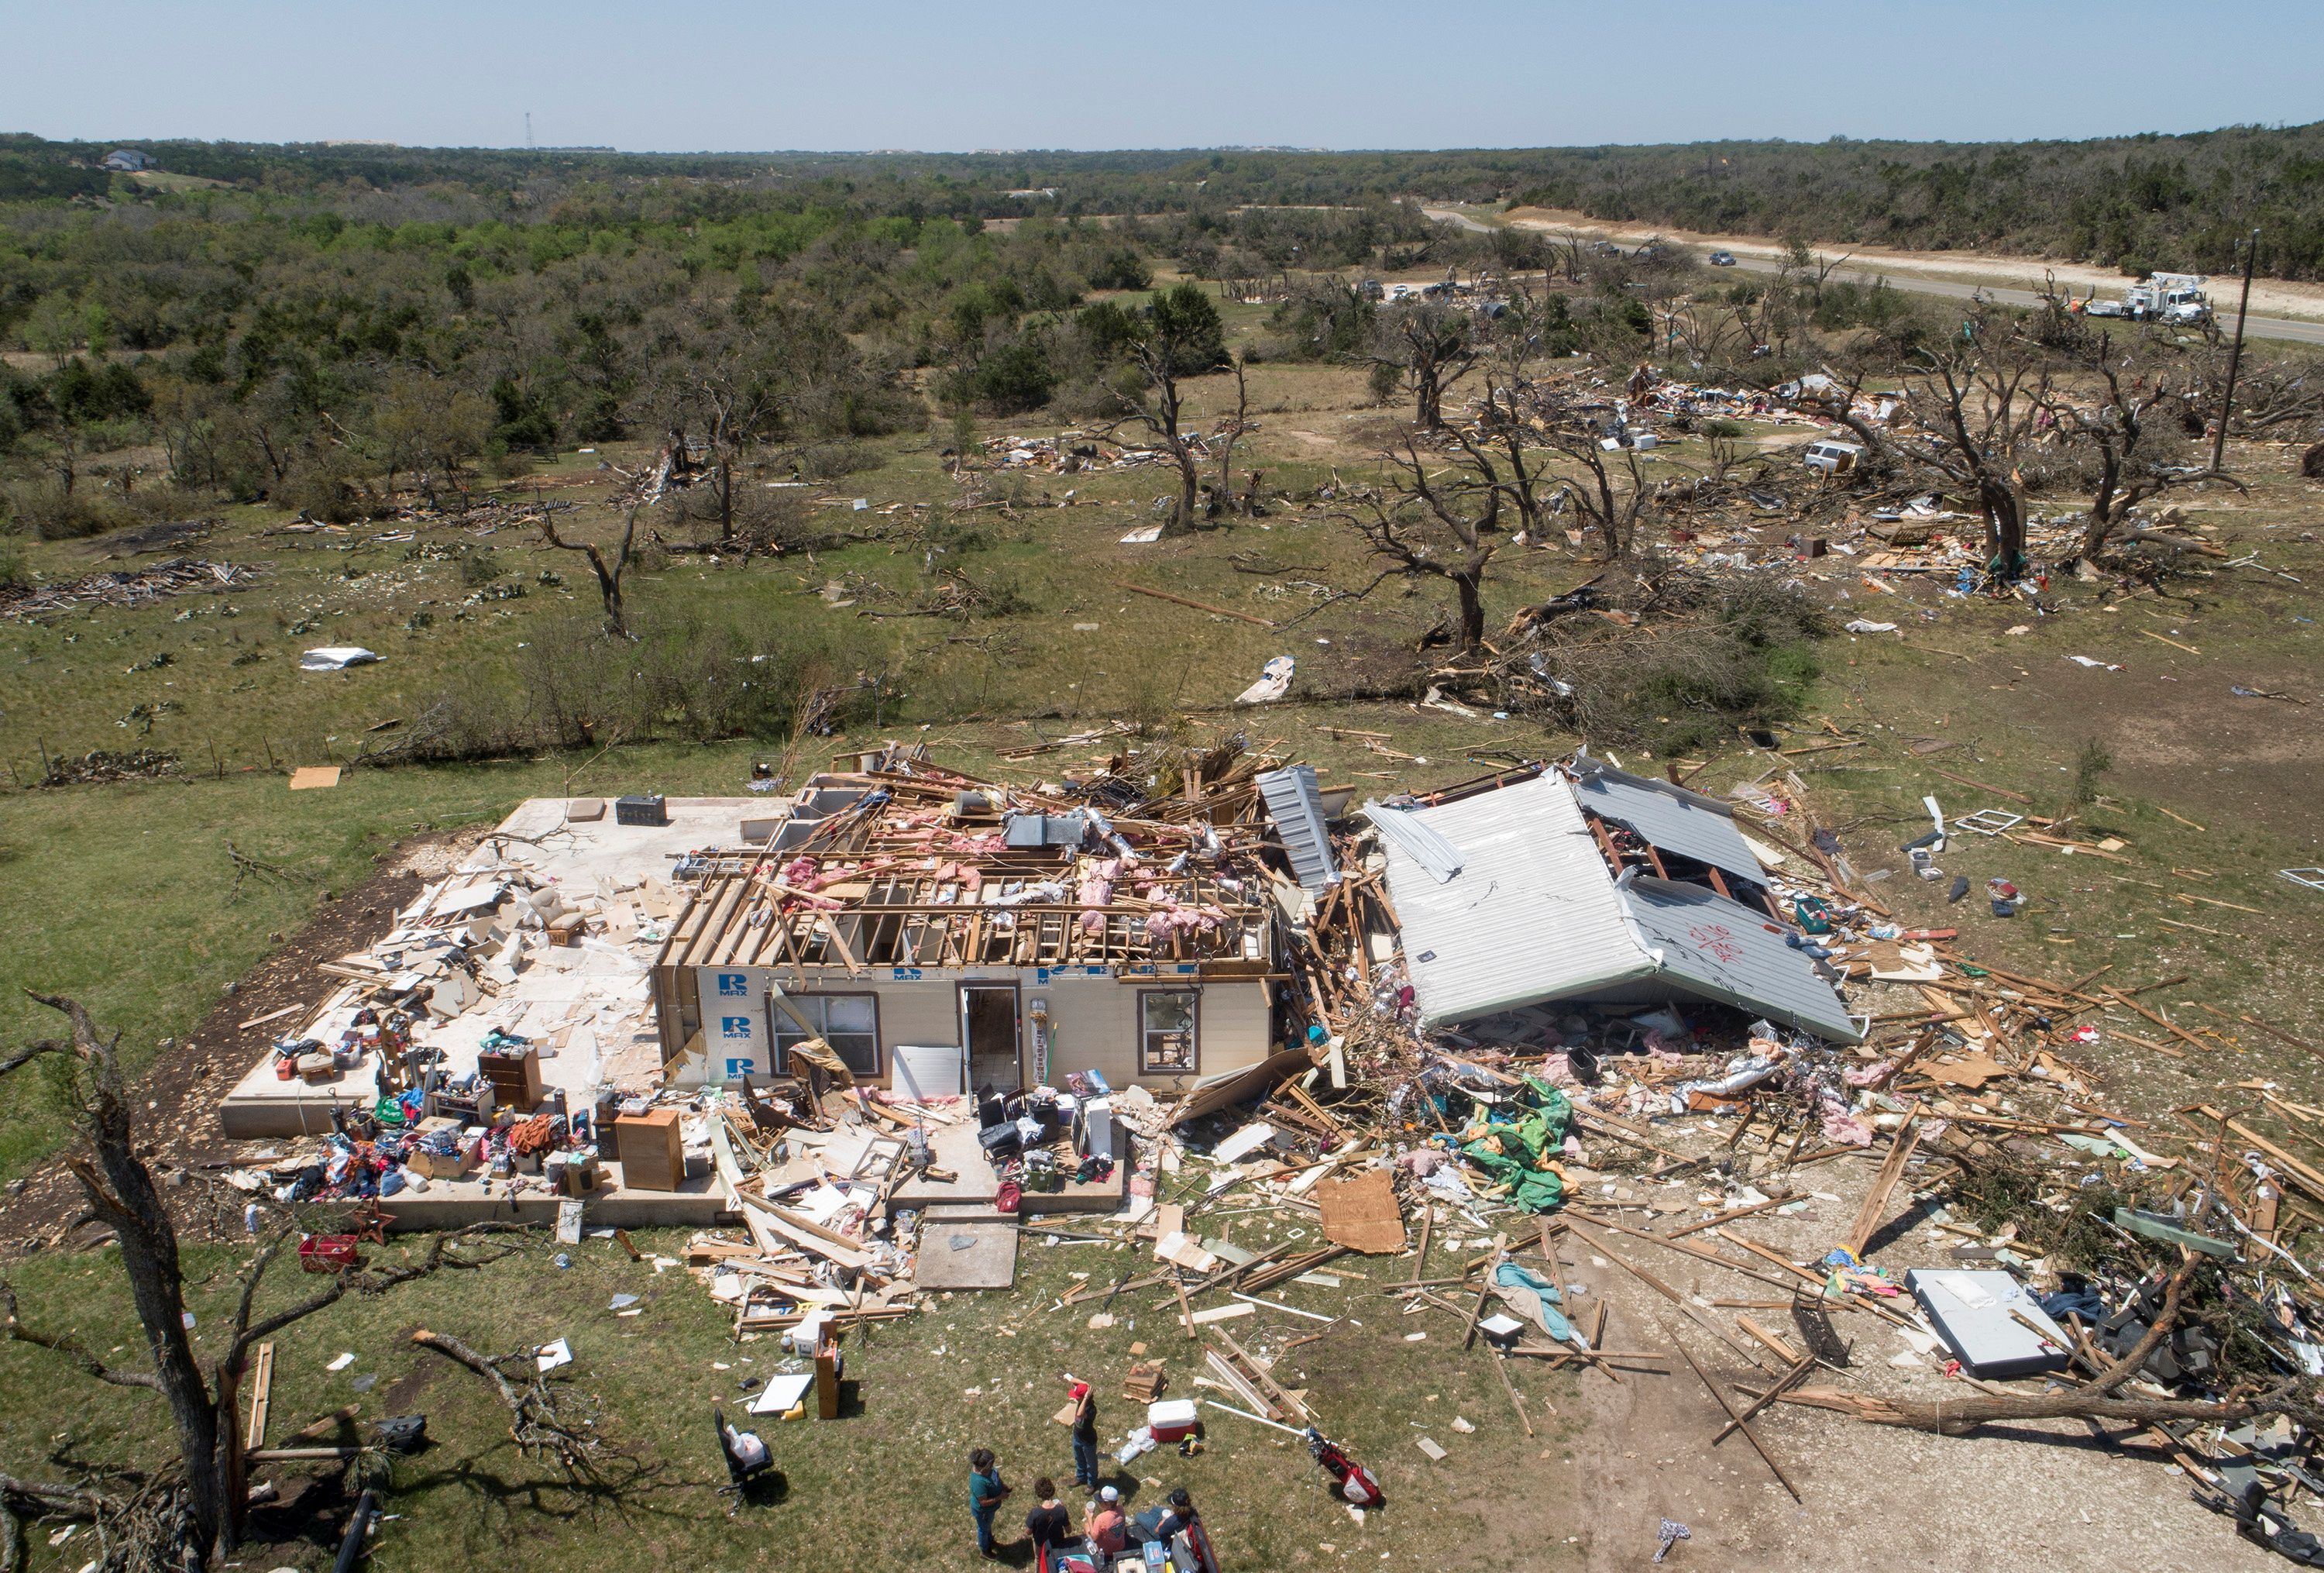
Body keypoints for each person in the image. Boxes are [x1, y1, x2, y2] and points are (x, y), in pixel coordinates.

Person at [968, 1447, 1011, 1559]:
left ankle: (990, 1540)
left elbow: (996, 1476)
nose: (992, 1466)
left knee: (988, 1526)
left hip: (990, 1510)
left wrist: (1003, 1486)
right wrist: (1000, 1497)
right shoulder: (978, 1482)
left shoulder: (989, 1470)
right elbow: (983, 1502)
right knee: (983, 1529)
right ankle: (985, 1550)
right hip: (984, 1512)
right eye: (990, 1464)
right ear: (983, 1467)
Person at [1024, 1477, 1074, 1571]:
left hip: (1040, 1544)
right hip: (1058, 1542)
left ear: (1039, 1494)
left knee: (1038, 1560)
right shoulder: (1061, 1510)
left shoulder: (1035, 1513)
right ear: (1052, 1490)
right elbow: (1069, 1530)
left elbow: (1028, 1532)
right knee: (1057, 1560)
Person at [1062, 1374, 1100, 1489]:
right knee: (1079, 1458)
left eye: (1077, 1396)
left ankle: (1091, 1483)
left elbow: (1080, 1414)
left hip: (1088, 1441)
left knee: (1091, 1463)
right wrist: (1085, 1384)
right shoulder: (1083, 1400)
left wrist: (1085, 1398)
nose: (1075, 1398)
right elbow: (1073, 1380)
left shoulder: (1091, 1409)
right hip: (1077, 1437)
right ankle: (1080, 1477)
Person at [1085, 1484, 1128, 1556]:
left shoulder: (1101, 1518)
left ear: (1108, 1504)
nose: (1099, 1503)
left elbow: (1094, 1538)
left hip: (1107, 1552)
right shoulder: (1121, 1509)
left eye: (1100, 1501)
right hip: (1121, 1546)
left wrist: (1089, 1518)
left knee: (1087, 1526)